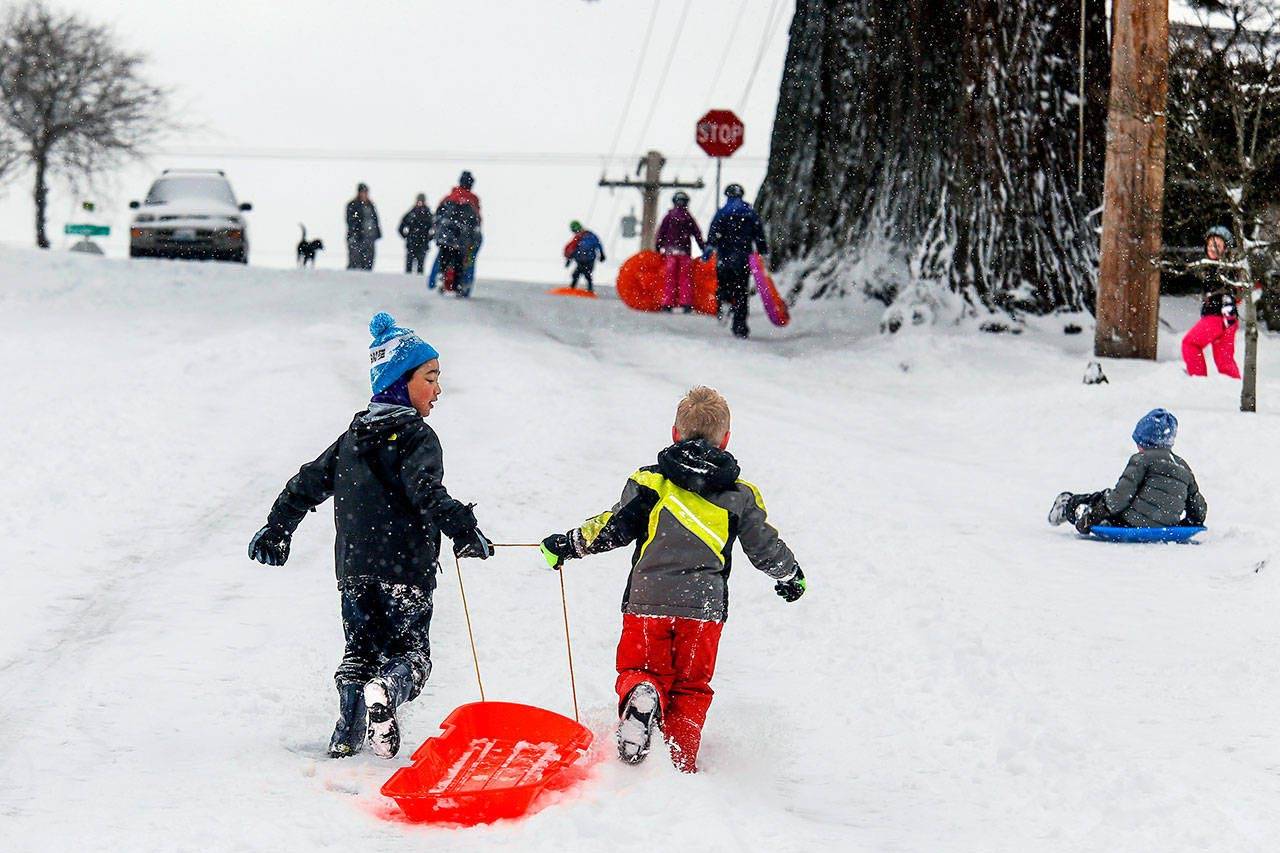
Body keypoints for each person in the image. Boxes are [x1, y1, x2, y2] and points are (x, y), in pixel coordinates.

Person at [247, 312, 494, 760]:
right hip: (406, 570)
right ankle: (388, 690)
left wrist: (277, 527)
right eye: (431, 377)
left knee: (359, 647)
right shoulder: (418, 437)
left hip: (356, 570)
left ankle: (348, 726)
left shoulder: (352, 437)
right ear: (401, 381)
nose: (438, 390)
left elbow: (307, 482)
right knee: (412, 656)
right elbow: (426, 492)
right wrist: (464, 528)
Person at [539, 386, 805, 773]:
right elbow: (764, 545)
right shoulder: (740, 495)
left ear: (675, 434)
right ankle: (678, 763)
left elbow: (613, 527)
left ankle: (642, 692)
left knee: (641, 666)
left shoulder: (652, 483)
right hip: (704, 609)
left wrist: (568, 544)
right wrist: (790, 575)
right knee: (690, 687)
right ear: (726, 439)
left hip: (648, 602)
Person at [1047, 408, 1208, 534]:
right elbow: (1198, 509)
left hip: (1131, 522)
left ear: (1144, 442)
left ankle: (1068, 506)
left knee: (1101, 497)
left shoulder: (1142, 460)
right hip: (1166, 524)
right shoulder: (1183, 466)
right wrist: (1187, 523)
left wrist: (1093, 517)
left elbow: (1120, 497)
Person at [703, 184, 769, 338]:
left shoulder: (722, 212)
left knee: (724, 285)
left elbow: (713, 234)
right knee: (741, 292)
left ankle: (724, 303)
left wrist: (708, 251)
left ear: (727, 195)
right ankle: (740, 326)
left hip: (724, 258)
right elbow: (759, 234)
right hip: (742, 259)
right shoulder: (750, 213)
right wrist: (763, 252)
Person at [1182, 225, 1245, 378]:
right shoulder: (1221, 267)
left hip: (1216, 317)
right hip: (1229, 321)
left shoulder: (1223, 268)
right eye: (1210, 244)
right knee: (1224, 362)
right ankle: (1236, 390)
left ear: (1226, 248)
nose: (1212, 248)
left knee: (1190, 344)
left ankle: (1198, 380)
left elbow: (1236, 293)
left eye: (1217, 245)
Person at [655, 192, 705, 312]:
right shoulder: (688, 217)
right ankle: (686, 303)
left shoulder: (669, 217)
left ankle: (667, 303)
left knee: (669, 278)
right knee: (685, 278)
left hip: (670, 253)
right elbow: (697, 234)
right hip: (685, 253)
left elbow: (661, 233)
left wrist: (658, 247)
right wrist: (704, 249)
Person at [434, 171, 482, 295]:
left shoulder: (448, 197)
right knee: (460, 260)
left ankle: (442, 277)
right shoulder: (473, 200)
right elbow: (476, 220)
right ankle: (458, 285)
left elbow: (438, 215)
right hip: (463, 237)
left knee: (445, 256)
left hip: (445, 235)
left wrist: (437, 231)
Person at [345, 183, 382, 271]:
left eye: (365, 192)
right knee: (355, 263)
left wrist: (377, 233)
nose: (364, 194)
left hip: (370, 237)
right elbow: (351, 221)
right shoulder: (353, 205)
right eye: (362, 192)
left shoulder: (370, 205)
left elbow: (375, 219)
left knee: (368, 263)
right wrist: (357, 233)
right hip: (357, 238)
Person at [563, 220, 605, 292]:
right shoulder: (584, 237)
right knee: (580, 274)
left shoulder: (582, 237)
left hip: (586, 259)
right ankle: (580, 288)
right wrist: (601, 254)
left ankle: (583, 288)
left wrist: (569, 260)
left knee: (583, 274)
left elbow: (573, 250)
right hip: (584, 259)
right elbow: (598, 244)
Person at [399, 193, 435, 275]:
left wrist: (428, 238)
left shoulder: (428, 214)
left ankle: (417, 285)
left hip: (423, 244)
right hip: (412, 243)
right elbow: (401, 227)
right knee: (408, 268)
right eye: (419, 201)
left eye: (422, 201)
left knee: (420, 269)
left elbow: (435, 229)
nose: (420, 203)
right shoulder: (411, 213)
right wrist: (406, 236)